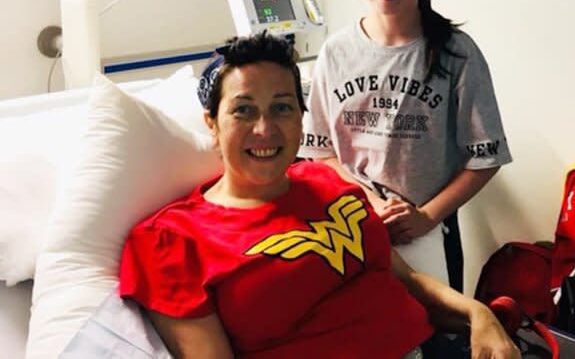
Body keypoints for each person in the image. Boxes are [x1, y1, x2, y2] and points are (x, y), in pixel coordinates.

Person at [118, 32, 519, 359]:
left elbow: (406, 280)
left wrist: (477, 313)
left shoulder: (330, 184)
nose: (265, 129)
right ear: (212, 124)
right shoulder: (171, 242)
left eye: (282, 108)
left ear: (301, 118)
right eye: (243, 111)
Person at [300, 0, 512, 291]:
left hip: (429, 228)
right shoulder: (335, 53)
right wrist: (369, 201)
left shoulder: (457, 54)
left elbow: (485, 158)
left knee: (435, 332)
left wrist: (426, 217)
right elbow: (320, 151)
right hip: (353, 220)